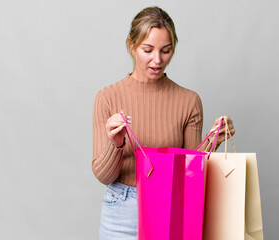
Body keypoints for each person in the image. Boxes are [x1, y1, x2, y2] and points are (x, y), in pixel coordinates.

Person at [92, 6, 235, 240]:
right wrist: (115, 145)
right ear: (132, 45)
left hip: (170, 205)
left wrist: (213, 141)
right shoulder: (107, 98)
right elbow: (103, 176)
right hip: (122, 210)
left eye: (166, 51)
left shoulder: (188, 101)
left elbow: (190, 174)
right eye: (148, 50)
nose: (157, 60)